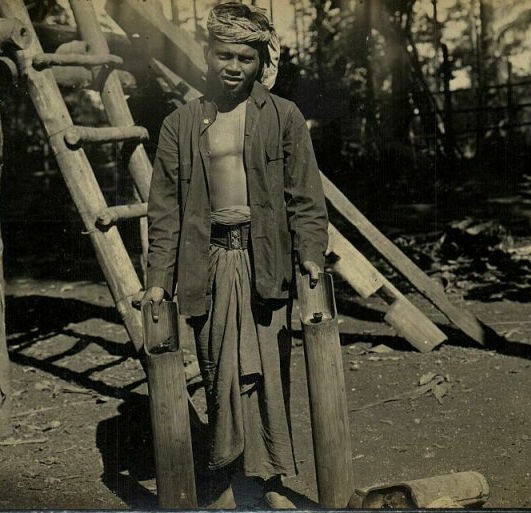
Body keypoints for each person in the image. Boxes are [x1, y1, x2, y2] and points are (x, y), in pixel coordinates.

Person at [141, 2, 328, 508]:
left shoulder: (283, 116)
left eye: (245, 57)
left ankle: (264, 483)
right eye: (224, 55)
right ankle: (223, 482)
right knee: (217, 371)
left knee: (269, 372)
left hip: (265, 262)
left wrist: (310, 254)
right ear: (208, 53)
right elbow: (165, 212)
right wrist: (159, 278)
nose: (233, 67)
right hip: (209, 264)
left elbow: (306, 198)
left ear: (259, 59)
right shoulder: (180, 125)